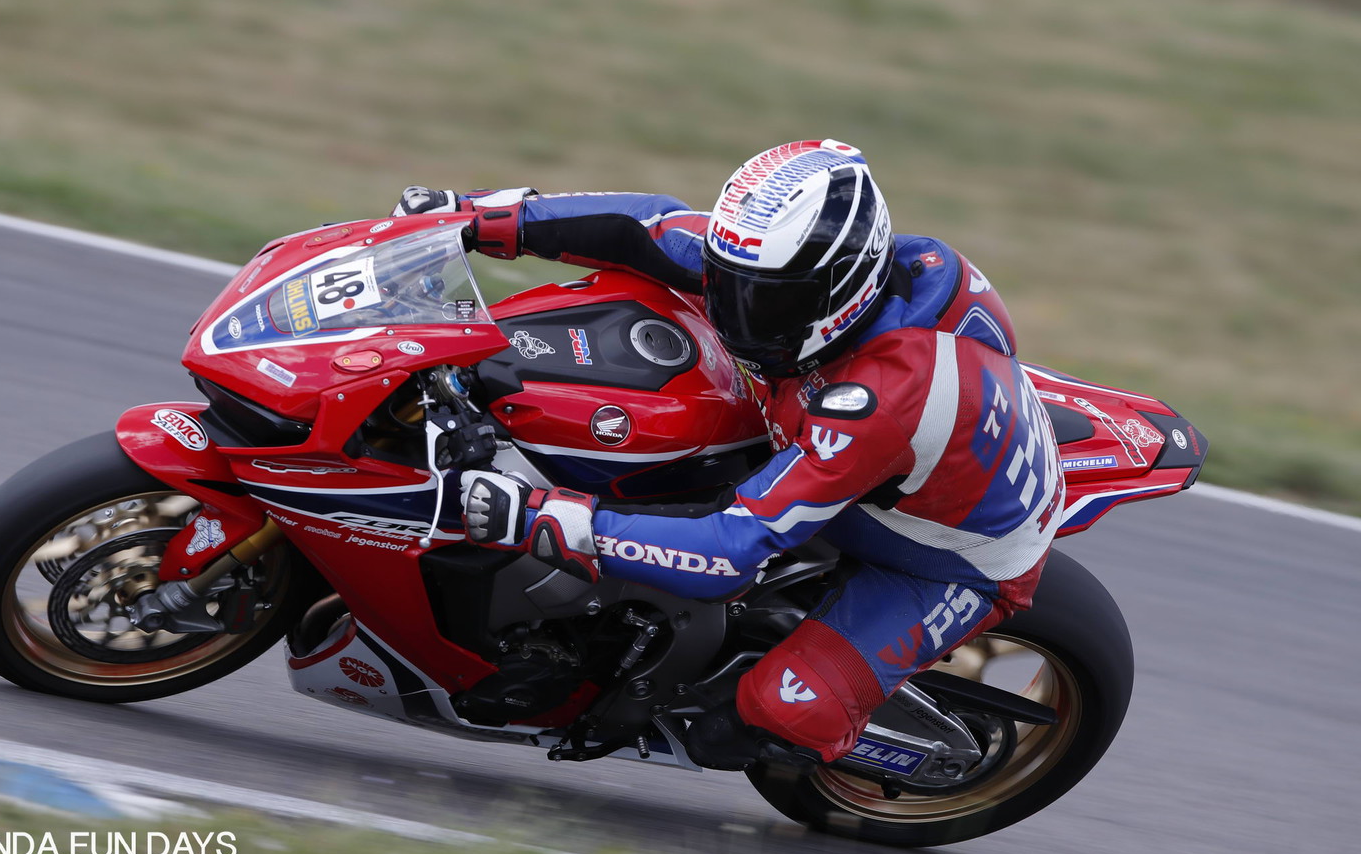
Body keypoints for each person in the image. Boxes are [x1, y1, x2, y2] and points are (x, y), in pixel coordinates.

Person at [394, 139, 1065, 772]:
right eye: (728, 281)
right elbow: (646, 229)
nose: (735, 308)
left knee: (756, 720)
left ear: (840, 289)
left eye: (764, 298)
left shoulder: (881, 399)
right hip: (872, 448)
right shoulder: (795, 272)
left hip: (946, 553)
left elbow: (728, 552)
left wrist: (542, 518)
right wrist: (473, 216)